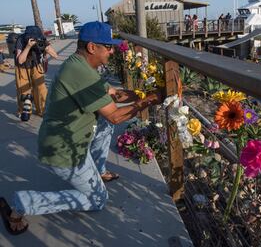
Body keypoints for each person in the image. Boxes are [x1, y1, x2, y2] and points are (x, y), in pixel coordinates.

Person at [0, 21, 163, 235]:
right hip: (64, 152)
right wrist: (151, 100)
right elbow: (115, 116)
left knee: (103, 121)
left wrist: (142, 93)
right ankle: (23, 203)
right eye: (108, 46)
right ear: (92, 47)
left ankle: (98, 169)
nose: (112, 51)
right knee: (98, 199)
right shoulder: (81, 74)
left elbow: (115, 94)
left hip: (70, 140)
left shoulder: (81, 66)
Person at [14, 25, 58, 118]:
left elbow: (55, 56)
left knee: (41, 88)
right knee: (23, 89)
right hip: (22, 66)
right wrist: (28, 47)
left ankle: (42, 110)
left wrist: (46, 48)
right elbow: (20, 60)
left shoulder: (41, 39)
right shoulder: (21, 40)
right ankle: (23, 111)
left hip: (36, 64)